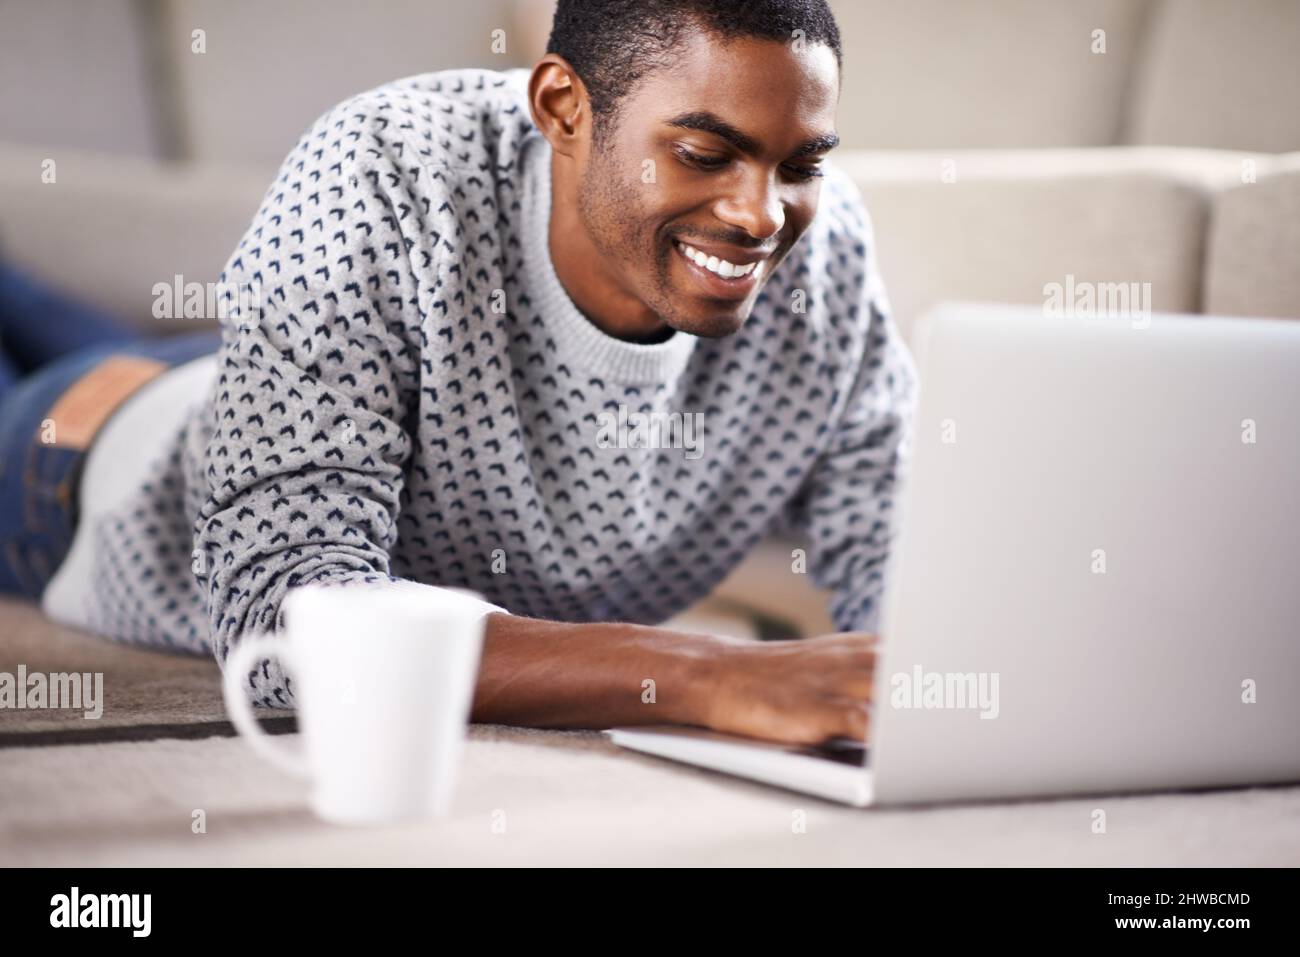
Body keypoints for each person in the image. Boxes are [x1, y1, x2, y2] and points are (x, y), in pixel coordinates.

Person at [3, 0, 917, 746]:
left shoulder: (824, 253)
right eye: (704, 154)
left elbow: (893, 530)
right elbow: (287, 613)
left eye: (799, 164)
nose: (761, 216)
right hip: (89, 459)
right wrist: (702, 671)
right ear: (564, 109)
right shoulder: (386, 168)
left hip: (290, 378)